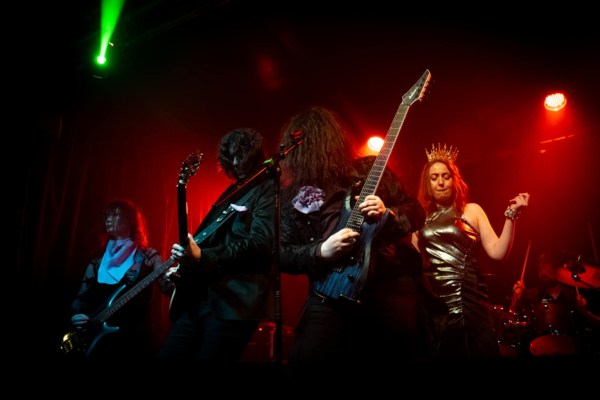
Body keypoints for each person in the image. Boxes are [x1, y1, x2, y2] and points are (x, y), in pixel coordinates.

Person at [277, 106, 441, 377]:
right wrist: (320, 251)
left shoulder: (366, 170)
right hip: (328, 293)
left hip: (386, 286)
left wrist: (389, 213)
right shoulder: (299, 194)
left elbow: (416, 211)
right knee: (307, 361)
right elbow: (282, 253)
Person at [158, 128, 276, 366]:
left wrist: (203, 255)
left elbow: (260, 244)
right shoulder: (232, 191)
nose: (235, 162)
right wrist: (185, 261)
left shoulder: (268, 188)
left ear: (254, 154)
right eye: (231, 156)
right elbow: (205, 241)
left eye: (240, 154)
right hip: (199, 300)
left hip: (234, 305)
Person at [412, 143, 530, 360]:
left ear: (454, 179)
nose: (440, 182)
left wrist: (511, 215)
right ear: (427, 183)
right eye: (434, 177)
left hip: (468, 300)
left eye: (446, 176)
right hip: (433, 304)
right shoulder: (420, 218)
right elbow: (414, 262)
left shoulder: (471, 210)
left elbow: (498, 253)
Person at [63, 198, 168, 361]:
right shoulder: (96, 262)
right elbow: (80, 299)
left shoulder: (149, 257)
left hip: (135, 342)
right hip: (100, 344)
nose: (108, 219)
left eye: (115, 214)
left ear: (130, 220)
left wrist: (176, 274)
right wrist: (76, 316)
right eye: (107, 215)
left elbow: (168, 288)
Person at [508, 251, 600, 356]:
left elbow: (593, 327)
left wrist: (584, 311)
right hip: (537, 350)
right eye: (541, 266)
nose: (543, 271)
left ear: (558, 270)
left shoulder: (573, 296)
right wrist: (516, 297)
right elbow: (512, 317)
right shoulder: (530, 295)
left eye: (547, 266)